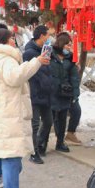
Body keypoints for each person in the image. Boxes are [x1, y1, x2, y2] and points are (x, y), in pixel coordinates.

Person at [0, 28, 50, 188]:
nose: (14, 41)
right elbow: (15, 77)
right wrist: (36, 62)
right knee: (10, 157)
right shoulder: (6, 59)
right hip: (7, 114)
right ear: (4, 41)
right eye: (11, 38)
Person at [22, 25, 54, 164]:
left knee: (48, 121)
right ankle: (34, 152)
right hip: (34, 92)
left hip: (46, 92)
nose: (49, 38)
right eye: (48, 35)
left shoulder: (45, 50)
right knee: (34, 124)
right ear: (41, 36)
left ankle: (41, 145)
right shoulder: (29, 52)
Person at [47, 32, 80, 154]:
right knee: (50, 119)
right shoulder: (50, 55)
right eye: (67, 45)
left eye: (70, 45)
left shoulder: (71, 58)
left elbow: (74, 78)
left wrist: (75, 94)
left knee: (62, 119)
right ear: (61, 44)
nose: (69, 47)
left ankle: (60, 142)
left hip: (65, 92)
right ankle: (42, 143)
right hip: (51, 91)